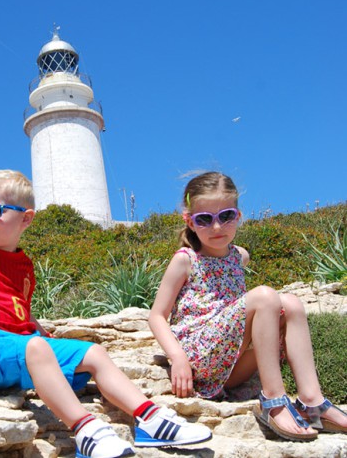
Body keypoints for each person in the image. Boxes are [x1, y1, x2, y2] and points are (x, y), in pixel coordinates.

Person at [0, 169, 211, 458]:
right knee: (36, 348)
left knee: (94, 351)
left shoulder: (25, 265)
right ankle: (86, 429)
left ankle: (149, 419)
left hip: (25, 345)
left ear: (26, 218)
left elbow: (18, 306)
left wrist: (32, 325)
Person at [148, 171, 347, 442]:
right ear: (190, 222)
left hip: (231, 364)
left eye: (226, 216)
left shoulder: (239, 256)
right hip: (200, 358)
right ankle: (274, 401)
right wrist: (177, 358)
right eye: (205, 219)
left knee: (290, 303)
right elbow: (157, 316)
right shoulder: (185, 260)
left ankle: (312, 401)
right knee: (265, 296)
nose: (217, 227)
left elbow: (246, 298)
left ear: (238, 216)